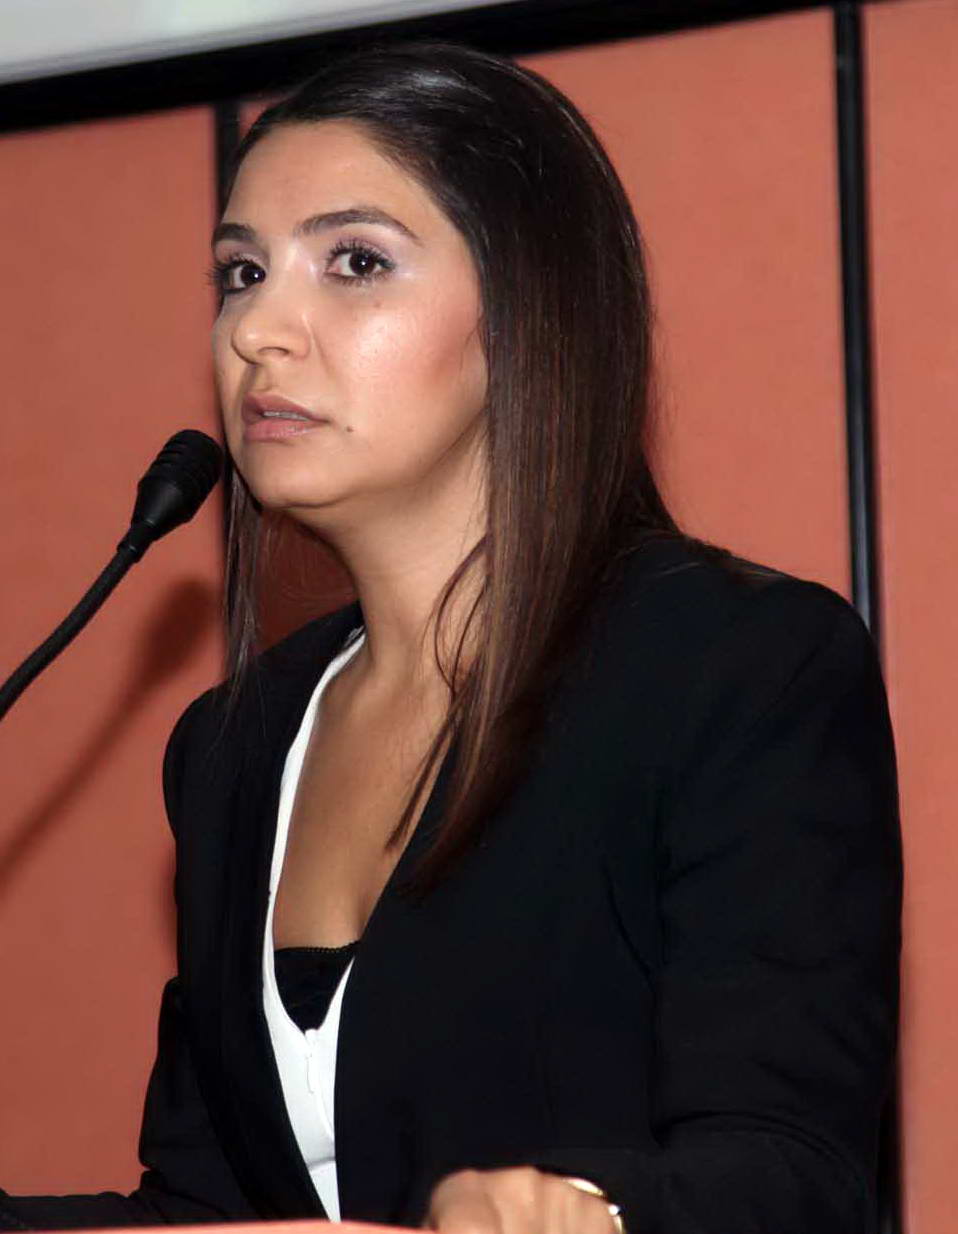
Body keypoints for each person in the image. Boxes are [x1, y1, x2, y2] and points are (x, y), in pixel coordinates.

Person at [0, 40, 901, 1234]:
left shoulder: (736, 669)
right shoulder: (230, 747)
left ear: (527, 314)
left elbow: (796, 1174)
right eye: (240, 273)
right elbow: (205, 1210)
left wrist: (583, 1210)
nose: (259, 330)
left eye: (355, 262)